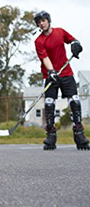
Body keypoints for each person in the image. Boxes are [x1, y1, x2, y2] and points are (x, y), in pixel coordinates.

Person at [34, 10, 89, 151]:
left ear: (48, 20)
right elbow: (44, 58)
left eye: (43, 20)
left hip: (66, 73)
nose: (42, 23)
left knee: (75, 102)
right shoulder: (39, 41)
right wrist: (51, 71)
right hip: (51, 75)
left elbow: (72, 40)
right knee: (49, 103)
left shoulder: (60, 32)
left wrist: (75, 45)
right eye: (39, 22)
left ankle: (79, 134)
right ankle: (51, 136)